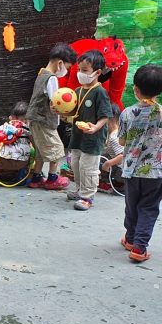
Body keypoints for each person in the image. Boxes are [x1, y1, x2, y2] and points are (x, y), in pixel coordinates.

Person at [118, 65, 162, 262]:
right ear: (161, 90)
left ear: (135, 89)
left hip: (131, 170)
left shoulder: (127, 113)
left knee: (132, 206)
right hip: (156, 172)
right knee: (148, 208)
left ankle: (130, 238)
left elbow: (122, 142)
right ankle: (139, 248)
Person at [65, 50, 113, 211]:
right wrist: (60, 110)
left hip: (93, 138)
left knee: (88, 168)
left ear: (97, 72)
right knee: (76, 165)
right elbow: (72, 111)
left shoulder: (100, 92)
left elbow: (105, 115)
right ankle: (80, 189)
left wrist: (96, 127)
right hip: (78, 136)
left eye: (84, 70)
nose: (80, 73)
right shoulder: (78, 91)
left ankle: (87, 196)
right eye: (79, 69)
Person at [27, 43, 77, 190]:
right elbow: (55, 101)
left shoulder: (41, 74)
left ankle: (36, 178)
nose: (66, 71)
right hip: (44, 121)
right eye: (67, 67)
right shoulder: (52, 78)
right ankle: (52, 179)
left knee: (41, 151)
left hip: (35, 119)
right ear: (60, 63)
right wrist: (66, 114)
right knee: (57, 149)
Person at [0, 101, 33, 186]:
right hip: (22, 163)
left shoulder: (4, 127)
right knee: (31, 154)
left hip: (3, 161)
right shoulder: (29, 130)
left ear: (11, 117)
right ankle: (22, 175)